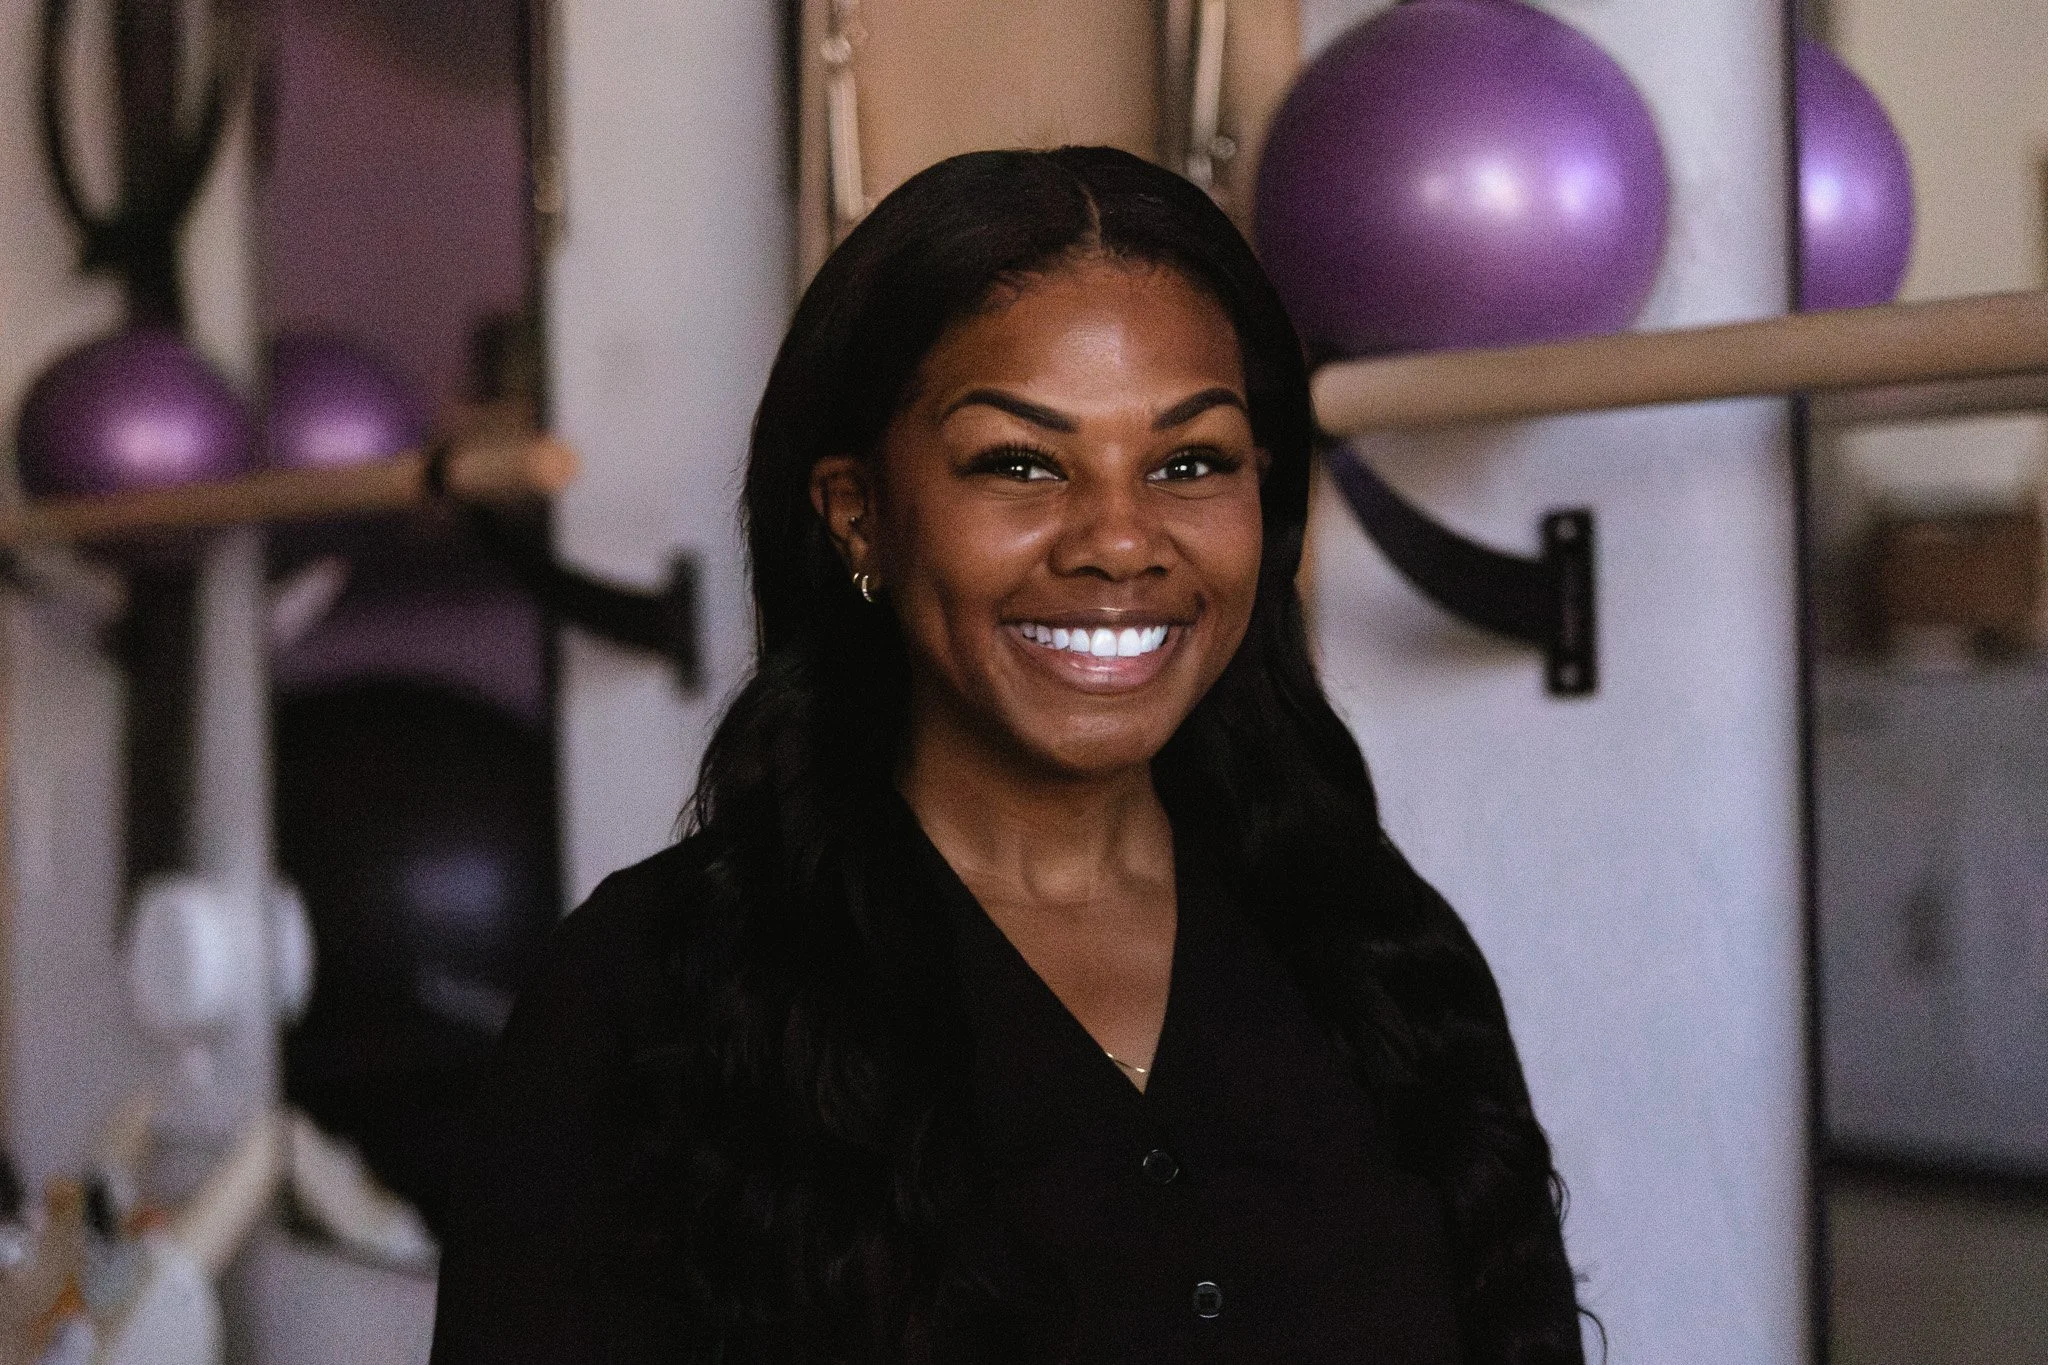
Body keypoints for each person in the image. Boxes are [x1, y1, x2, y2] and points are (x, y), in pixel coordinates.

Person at [430, 146, 1584, 1364]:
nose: (1119, 541)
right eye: (1019, 464)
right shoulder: (646, 998)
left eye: (1188, 462)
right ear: (857, 512)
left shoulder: (1380, 956)